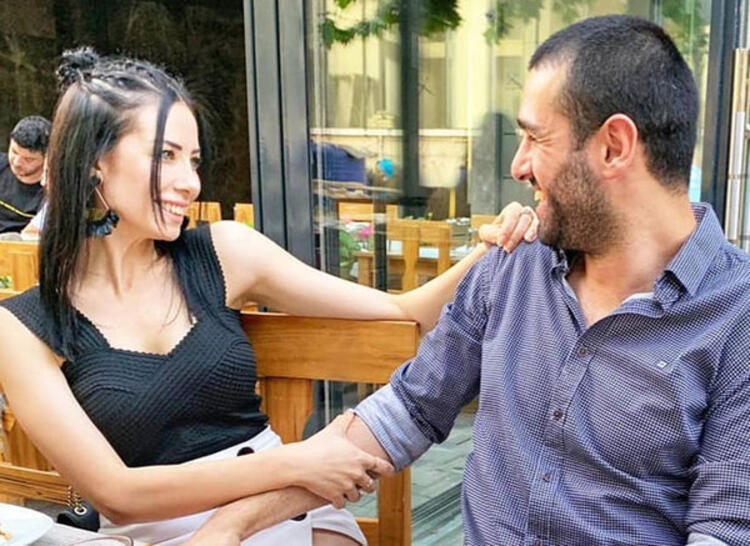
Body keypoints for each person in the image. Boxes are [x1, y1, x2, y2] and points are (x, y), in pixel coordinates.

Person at [188, 15, 750, 546]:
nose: (518, 166)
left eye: (536, 138)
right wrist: (229, 527)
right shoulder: (516, 261)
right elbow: (408, 411)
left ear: (614, 147)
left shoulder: (736, 315)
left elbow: (723, 528)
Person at [0, 47, 536, 546]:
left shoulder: (224, 252)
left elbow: (405, 312)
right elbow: (116, 493)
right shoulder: (23, 328)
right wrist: (299, 462)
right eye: (166, 155)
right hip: (164, 529)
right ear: (94, 160)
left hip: (286, 510)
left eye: (194, 160)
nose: (189, 182)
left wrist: (494, 248)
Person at [0, 115, 50, 235]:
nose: (17, 162)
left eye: (28, 159)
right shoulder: (2, 164)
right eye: (14, 152)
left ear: (47, 158)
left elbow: (33, 233)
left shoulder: (52, 189)